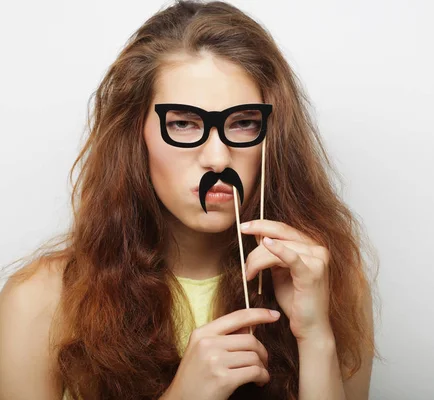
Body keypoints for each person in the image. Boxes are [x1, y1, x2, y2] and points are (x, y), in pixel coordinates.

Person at [0, 1, 379, 399]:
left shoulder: (330, 283)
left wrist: (315, 338)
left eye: (243, 122)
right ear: (135, 135)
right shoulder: (40, 301)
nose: (217, 157)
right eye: (183, 123)